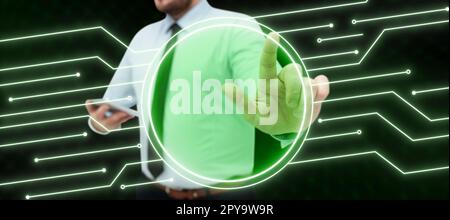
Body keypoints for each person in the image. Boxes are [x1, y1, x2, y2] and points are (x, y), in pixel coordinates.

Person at [85, 0, 330, 200]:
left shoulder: (236, 28)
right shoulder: (143, 39)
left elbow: (264, 95)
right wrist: (100, 122)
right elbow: (112, 106)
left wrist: (289, 117)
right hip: (151, 193)